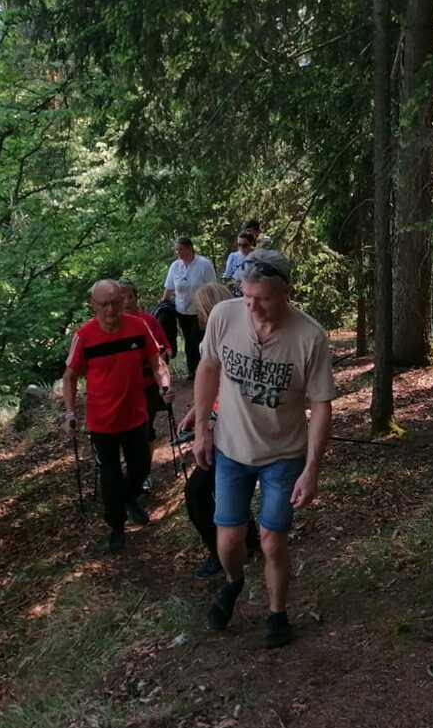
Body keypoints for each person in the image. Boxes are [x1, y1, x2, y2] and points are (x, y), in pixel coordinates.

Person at [192, 250, 337, 649]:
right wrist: (203, 428)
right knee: (229, 539)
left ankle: (277, 614)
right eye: (246, 295)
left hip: (283, 455)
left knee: (273, 540)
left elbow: (321, 405)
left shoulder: (309, 336)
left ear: (285, 293)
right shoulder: (224, 315)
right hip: (230, 448)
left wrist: (312, 469)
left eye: (263, 298)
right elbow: (208, 368)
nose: (252, 307)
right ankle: (234, 581)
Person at [63, 279, 171, 553]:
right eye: (104, 304)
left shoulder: (138, 327)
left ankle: (130, 498)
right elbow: (70, 376)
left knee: (140, 468)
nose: (110, 310)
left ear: (123, 301)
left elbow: (156, 362)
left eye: (115, 303)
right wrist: (70, 412)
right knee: (110, 478)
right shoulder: (84, 336)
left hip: (135, 415)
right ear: (93, 304)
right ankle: (117, 528)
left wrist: (164, 385)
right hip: (102, 422)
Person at [177, 281, 261, 580]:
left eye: (200, 310)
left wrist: (207, 426)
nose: (198, 317)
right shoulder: (217, 336)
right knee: (220, 489)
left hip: (235, 432)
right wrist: (196, 413)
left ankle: (221, 552)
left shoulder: (237, 339)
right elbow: (215, 384)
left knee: (197, 492)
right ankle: (248, 542)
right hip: (222, 426)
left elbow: (234, 391)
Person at [117, 279, 173, 458]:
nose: (127, 301)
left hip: (148, 383)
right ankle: (134, 463)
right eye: (122, 298)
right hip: (123, 387)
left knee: (146, 428)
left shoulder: (148, 320)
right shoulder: (111, 324)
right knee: (126, 430)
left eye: (130, 297)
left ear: (136, 298)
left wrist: (163, 378)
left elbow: (165, 348)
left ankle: (144, 467)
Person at [161, 237, 217, 379]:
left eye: (181, 249)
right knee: (188, 340)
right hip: (182, 311)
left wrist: (210, 309)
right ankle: (193, 370)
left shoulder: (204, 264)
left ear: (190, 248)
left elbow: (212, 288)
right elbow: (169, 287)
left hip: (200, 310)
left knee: (196, 341)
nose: (178, 252)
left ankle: (204, 370)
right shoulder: (175, 266)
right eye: (177, 250)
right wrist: (163, 303)